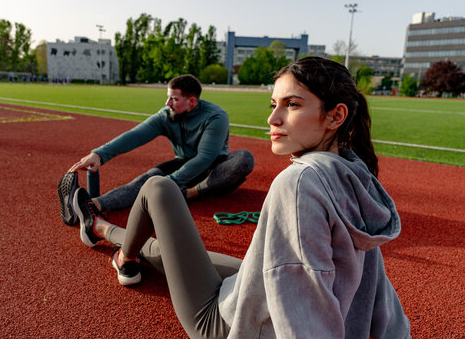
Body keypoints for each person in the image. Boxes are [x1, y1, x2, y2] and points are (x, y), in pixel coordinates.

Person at [71, 57, 411, 338]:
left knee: (158, 188)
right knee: (189, 256)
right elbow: (376, 286)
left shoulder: (297, 182)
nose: (272, 118)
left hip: (230, 326)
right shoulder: (357, 175)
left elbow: (302, 304)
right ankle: (103, 230)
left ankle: (115, 246)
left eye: (292, 105)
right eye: (274, 104)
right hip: (261, 292)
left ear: (335, 116)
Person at [58, 74, 255, 226]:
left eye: (173, 99)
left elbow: (205, 157)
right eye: (168, 97)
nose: (167, 103)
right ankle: (91, 206)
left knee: (244, 159)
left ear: (192, 102)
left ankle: (190, 193)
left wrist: (169, 182)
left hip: (215, 168)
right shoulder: (166, 115)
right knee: (144, 182)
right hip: (182, 163)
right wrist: (99, 154)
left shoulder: (216, 117)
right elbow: (135, 135)